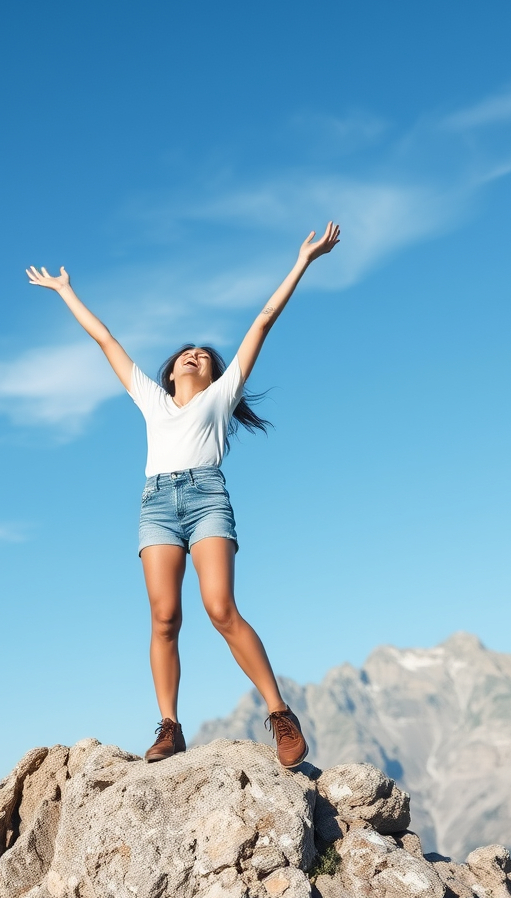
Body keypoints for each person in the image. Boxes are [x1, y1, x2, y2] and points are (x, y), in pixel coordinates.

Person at [26, 221, 340, 768]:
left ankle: (280, 714)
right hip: (156, 506)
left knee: (220, 608)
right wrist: (65, 290)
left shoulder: (220, 398)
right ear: (169, 373)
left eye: (205, 356)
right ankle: (170, 727)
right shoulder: (150, 399)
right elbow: (105, 340)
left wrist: (303, 261)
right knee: (164, 617)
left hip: (206, 498)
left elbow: (264, 321)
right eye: (186, 355)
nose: (195, 356)